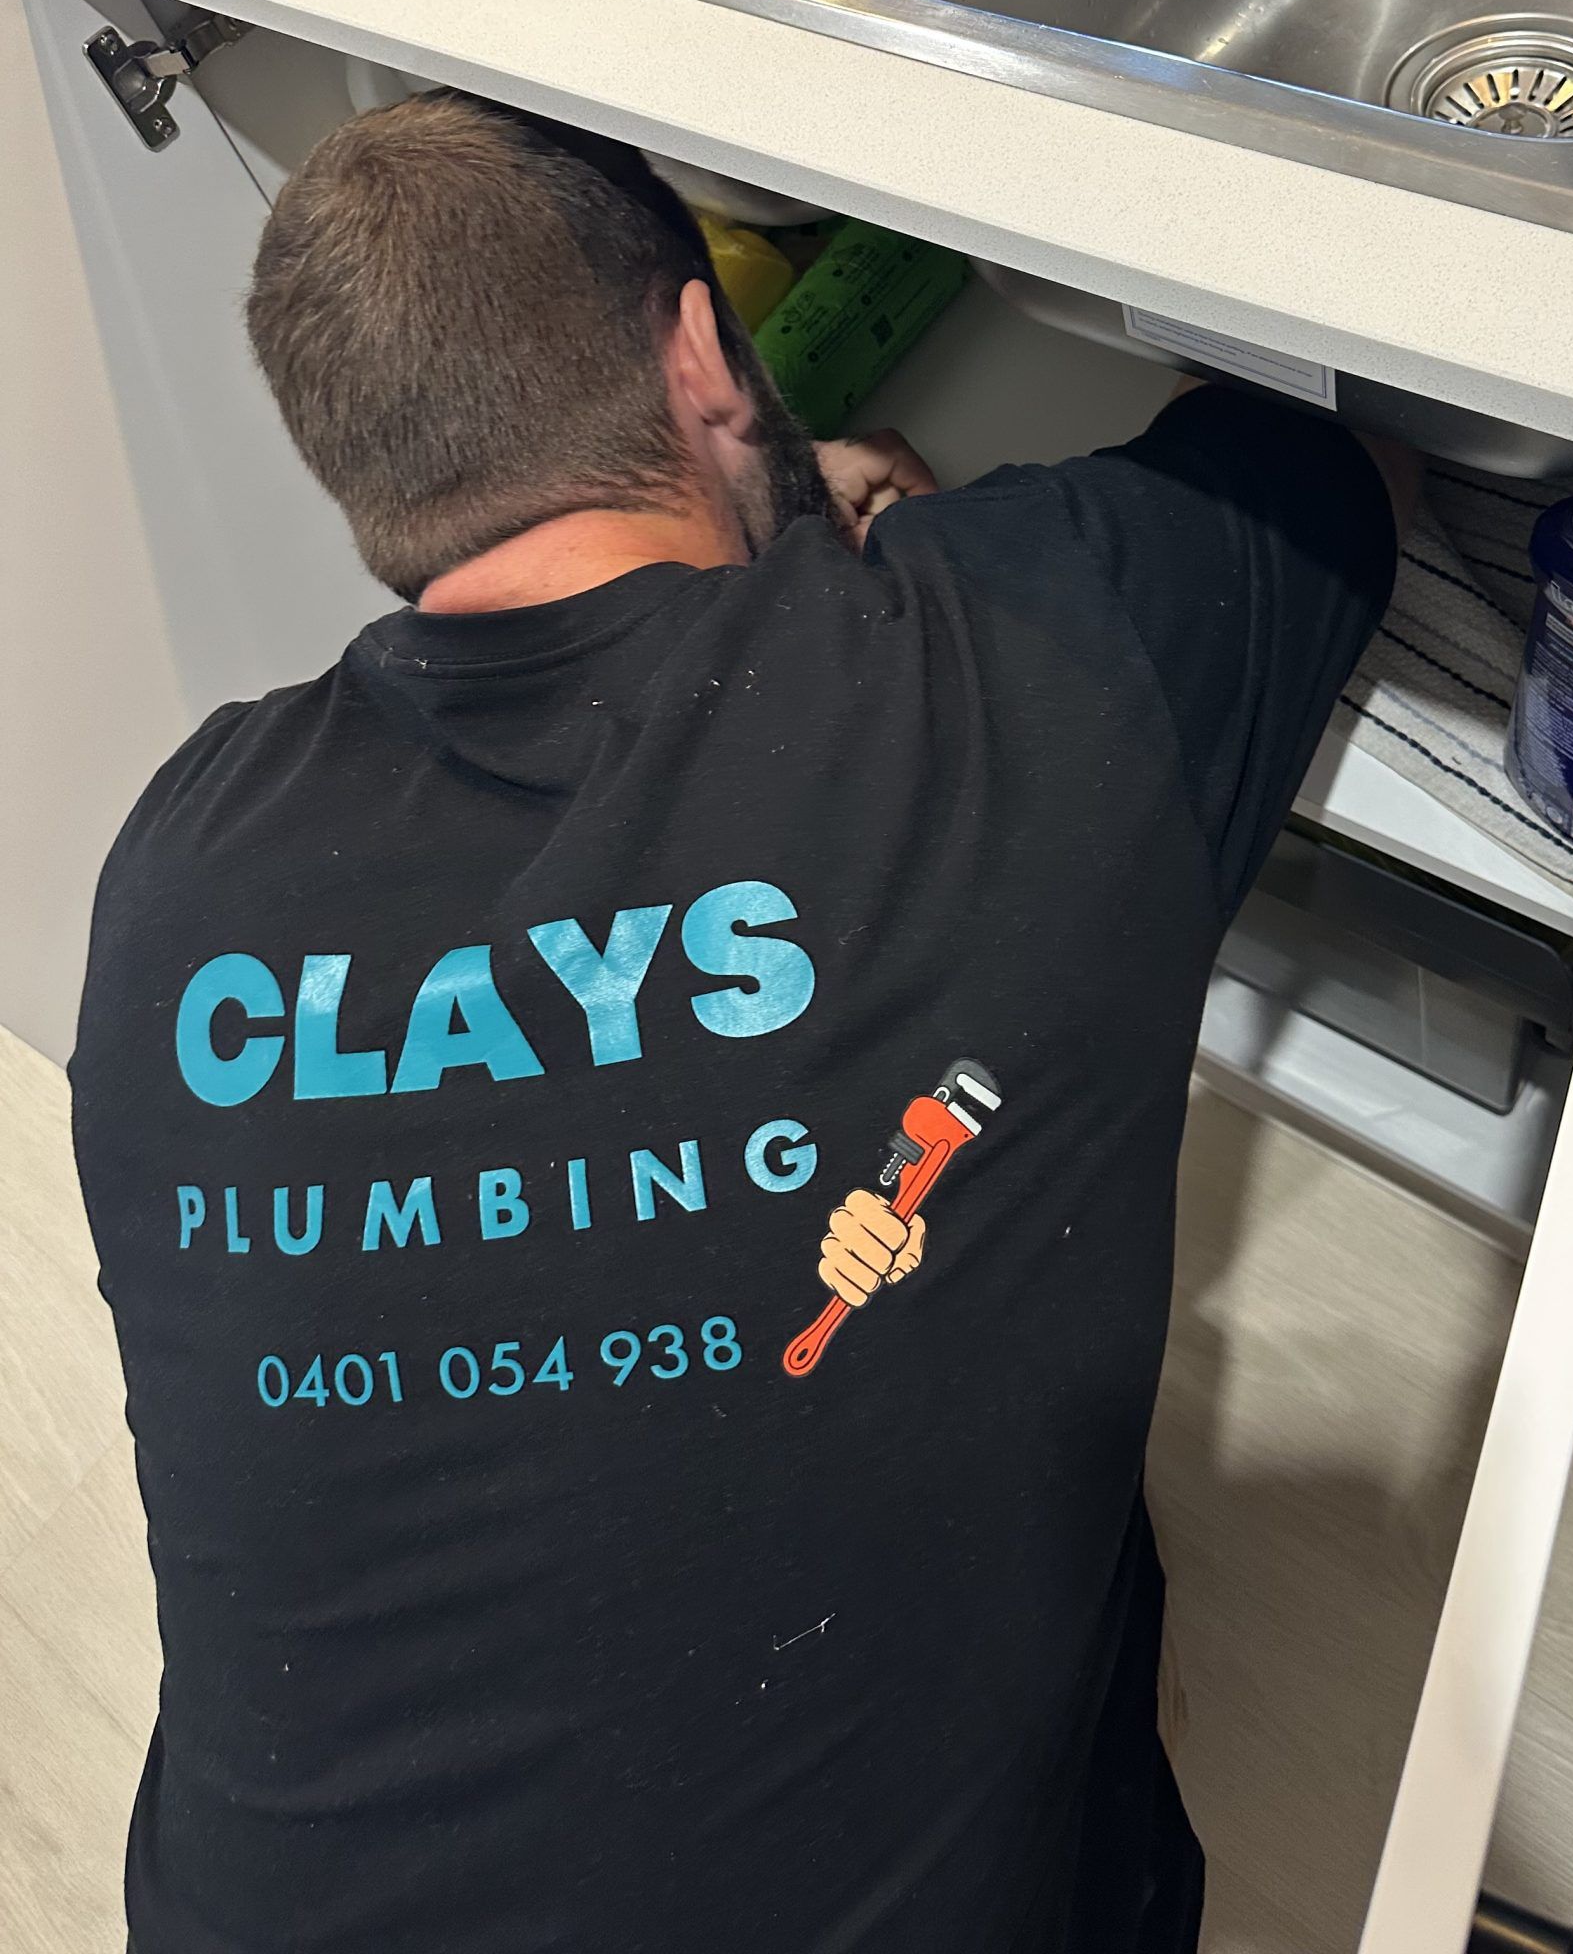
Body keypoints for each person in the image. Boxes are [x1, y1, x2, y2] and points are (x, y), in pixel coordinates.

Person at [69, 94, 1399, 1954]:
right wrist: (889, 559)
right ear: (701, 350)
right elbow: (1306, 484)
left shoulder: (180, 880)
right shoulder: (1009, 675)